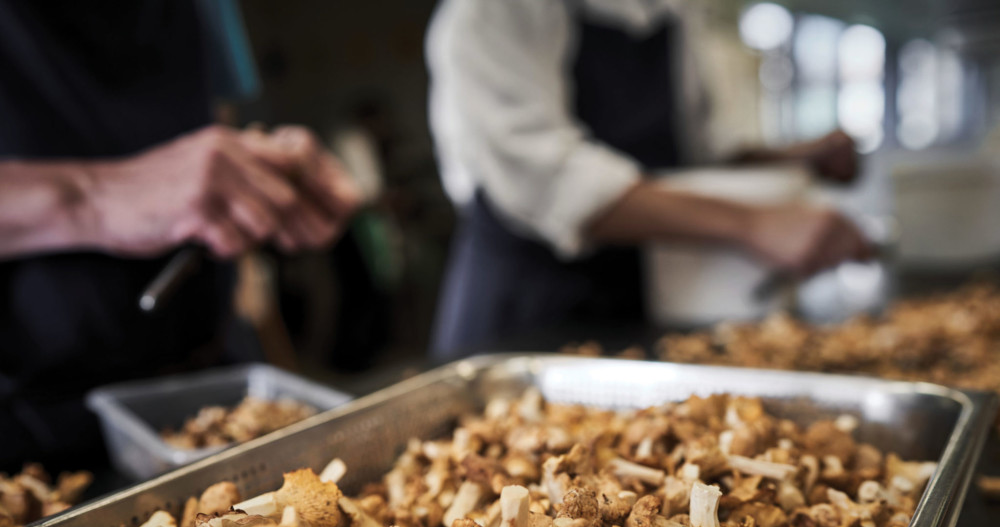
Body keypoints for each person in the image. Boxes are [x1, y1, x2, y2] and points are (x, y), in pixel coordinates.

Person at [0, 1, 360, 472]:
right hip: (31, 431)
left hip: (215, 385)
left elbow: (216, 123)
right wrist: (97, 195)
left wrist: (257, 178)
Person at [426, 0, 870, 358]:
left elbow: (700, 145)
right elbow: (547, 180)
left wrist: (796, 159)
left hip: (638, 296)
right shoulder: (490, 11)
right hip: (526, 303)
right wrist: (754, 224)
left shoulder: (674, 12)